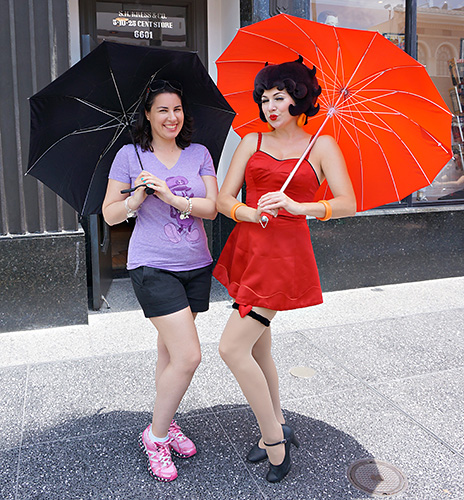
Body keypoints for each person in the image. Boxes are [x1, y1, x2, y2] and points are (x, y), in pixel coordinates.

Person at [213, 57, 356, 483]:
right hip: (248, 250)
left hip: (283, 260)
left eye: (279, 97)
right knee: (258, 349)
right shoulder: (251, 141)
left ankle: (274, 442)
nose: (269, 105)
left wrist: (300, 206)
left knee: (231, 349)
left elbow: (346, 204)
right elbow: (223, 200)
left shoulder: (322, 146)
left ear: (300, 98)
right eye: (264, 98)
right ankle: (276, 422)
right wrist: (248, 211)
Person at [102, 79, 218, 482]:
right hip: (152, 265)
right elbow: (110, 214)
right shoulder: (130, 156)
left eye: (178, 109)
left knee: (169, 355)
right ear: (148, 115)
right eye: (163, 110)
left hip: (196, 263)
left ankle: (164, 422)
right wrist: (135, 199)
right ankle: (155, 437)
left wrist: (172, 198)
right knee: (189, 356)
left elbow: (212, 209)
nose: (172, 117)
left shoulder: (200, 153)